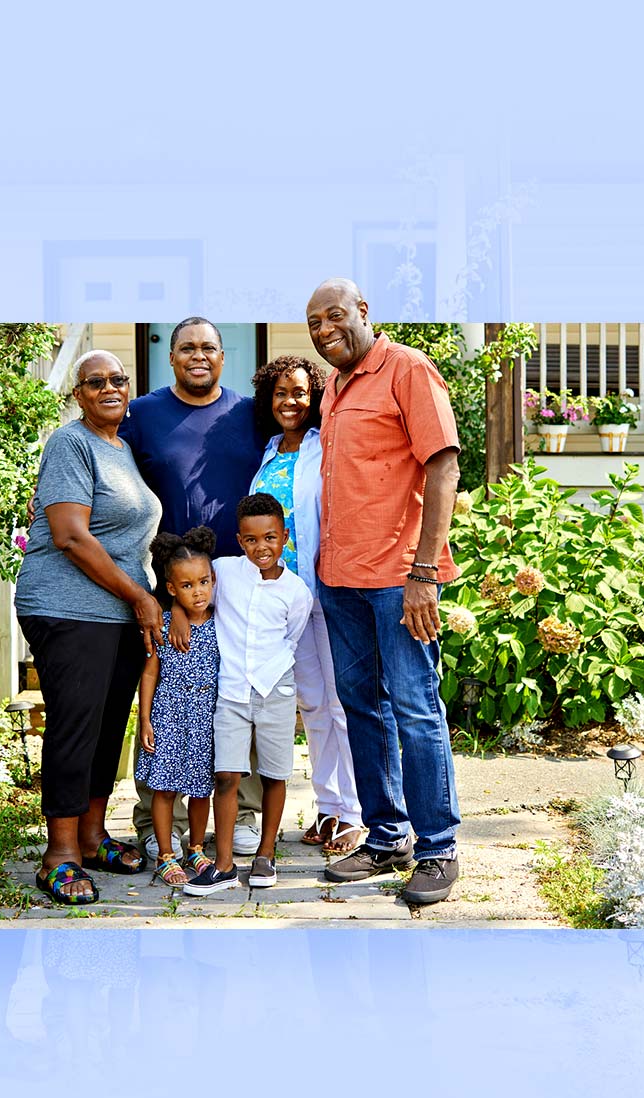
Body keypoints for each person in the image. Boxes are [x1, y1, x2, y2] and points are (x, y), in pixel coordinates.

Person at [306, 279, 465, 906]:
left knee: (416, 710)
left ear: (363, 313)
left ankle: (437, 848)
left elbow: (443, 465)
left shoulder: (407, 369)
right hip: (340, 578)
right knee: (361, 709)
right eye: (314, 322)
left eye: (334, 316)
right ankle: (387, 836)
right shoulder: (336, 387)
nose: (324, 330)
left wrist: (423, 573)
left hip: (399, 581)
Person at [14, 350, 161, 906]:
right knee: (76, 727)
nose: (108, 388)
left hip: (118, 611)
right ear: (78, 394)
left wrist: (136, 600)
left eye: (117, 380)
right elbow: (71, 535)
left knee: (105, 731)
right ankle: (60, 855)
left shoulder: (121, 449)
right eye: (94, 381)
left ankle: (95, 836)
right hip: (70, 606)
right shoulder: (70, 444)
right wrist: (141, 598)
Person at [118, 316, 267, 857]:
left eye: (208, 347)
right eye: (186, 348)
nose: (197, 355)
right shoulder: (143, 415)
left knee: (235, 693)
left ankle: (243, 809)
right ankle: (154, 818)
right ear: (171, 356)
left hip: (238, 579)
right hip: (169, 581)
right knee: (165, 696)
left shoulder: (249, 414)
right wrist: (166, 599)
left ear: (224, 357)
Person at [247, 355, 363, 853]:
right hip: (282, 600)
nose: (290, 402)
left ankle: (355, 812)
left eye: (299, 392)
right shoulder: (269, 453)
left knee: (339, 702)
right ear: (268, 401)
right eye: (280, 393)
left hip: (322, 590)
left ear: (314, 395)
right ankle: (327, 808)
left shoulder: (323, 447)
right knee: (312, 703)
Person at [183, 493, 314, 896]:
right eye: (252, 540)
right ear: (240, 541)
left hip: (275, 689)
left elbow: (291, 638)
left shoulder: (297, 592)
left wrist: (270, 675)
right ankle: (223, 865)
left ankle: (265, 853)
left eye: (271, 538)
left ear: (285, 538)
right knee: (225, 775)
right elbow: (196, 589)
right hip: (232, 692)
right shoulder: (223, 571)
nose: (262, 547)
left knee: (274, 774)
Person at [133, 526, 224, 887]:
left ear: (212, 579)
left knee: (202, 788)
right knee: (165, 788)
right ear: (171, 589)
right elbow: (150, 673)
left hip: (206, 715)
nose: (197, 592)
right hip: (169, 714)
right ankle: (166, 854)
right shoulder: (164, 623)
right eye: (186, 586)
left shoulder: (223, 621)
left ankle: (197, 849)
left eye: (203, 582)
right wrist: (144, 719)